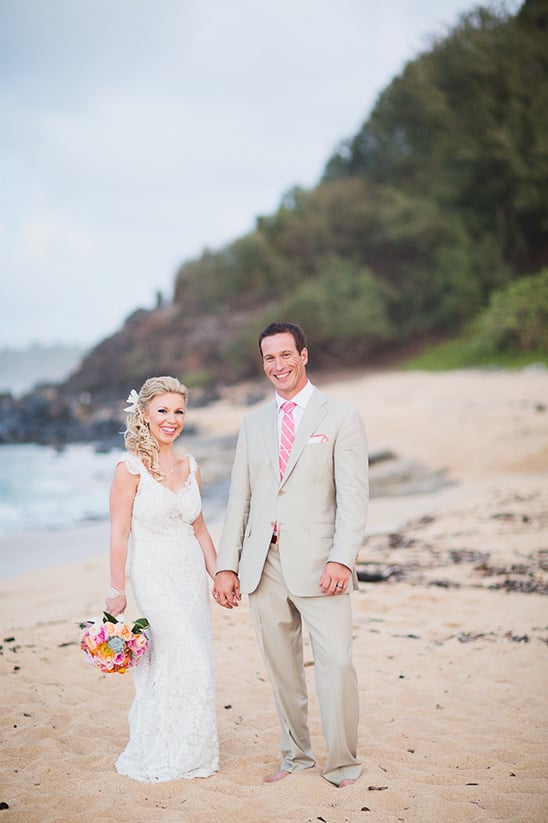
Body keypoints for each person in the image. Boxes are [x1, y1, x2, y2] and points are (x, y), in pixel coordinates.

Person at [213, 322, 368, 788]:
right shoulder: (252, 424)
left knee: (336, 663)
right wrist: (226, 565)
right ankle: (296, 757)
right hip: (263, 564)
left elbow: (354, 498)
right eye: (268, 358)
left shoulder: (340, 416)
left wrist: (343, 558)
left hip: (323, 564)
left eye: (285, 355)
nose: (277, 366)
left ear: (304, 355)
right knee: (282, 670)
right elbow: (239, 499)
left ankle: (342, 763)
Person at [106, 375, 219, 783]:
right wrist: (116, 590)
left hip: (189, 575)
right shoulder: (128, 470)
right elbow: (119, 533)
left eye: (178, 411)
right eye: (163, 411)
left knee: (194, 658)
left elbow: (200, 528)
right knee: (184, 653)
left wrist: (220, 574)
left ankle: (191, 747)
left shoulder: (191, 467)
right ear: (144, 415)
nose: (171, 419)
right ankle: (163, 747)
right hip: (153, 575)